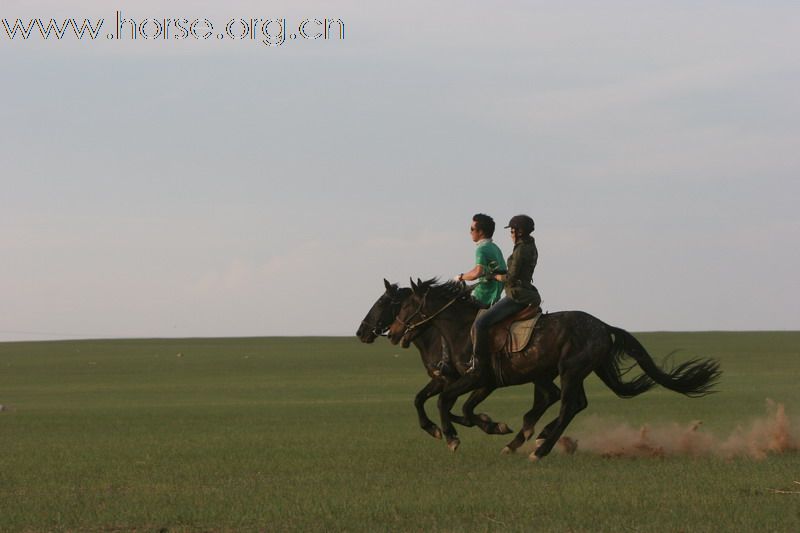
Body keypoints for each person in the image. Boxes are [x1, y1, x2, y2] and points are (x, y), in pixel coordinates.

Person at [467, 214, 541, 373]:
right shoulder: (531, 246)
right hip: (527, 291)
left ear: (518, 232)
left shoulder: (521, 250)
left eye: (512, 230)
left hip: (516, 295)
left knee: (480, 323)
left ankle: (479, 364)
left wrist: (493, 276)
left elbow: (511, 278)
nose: (510, 234)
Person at [453, 213, 507, 308]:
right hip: (495, 296)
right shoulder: (495, 247)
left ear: (481, 232)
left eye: (472, 229)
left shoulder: (481, 249)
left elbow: (477, 273)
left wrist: (460, 277)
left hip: (482, 297)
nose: (470, 232)